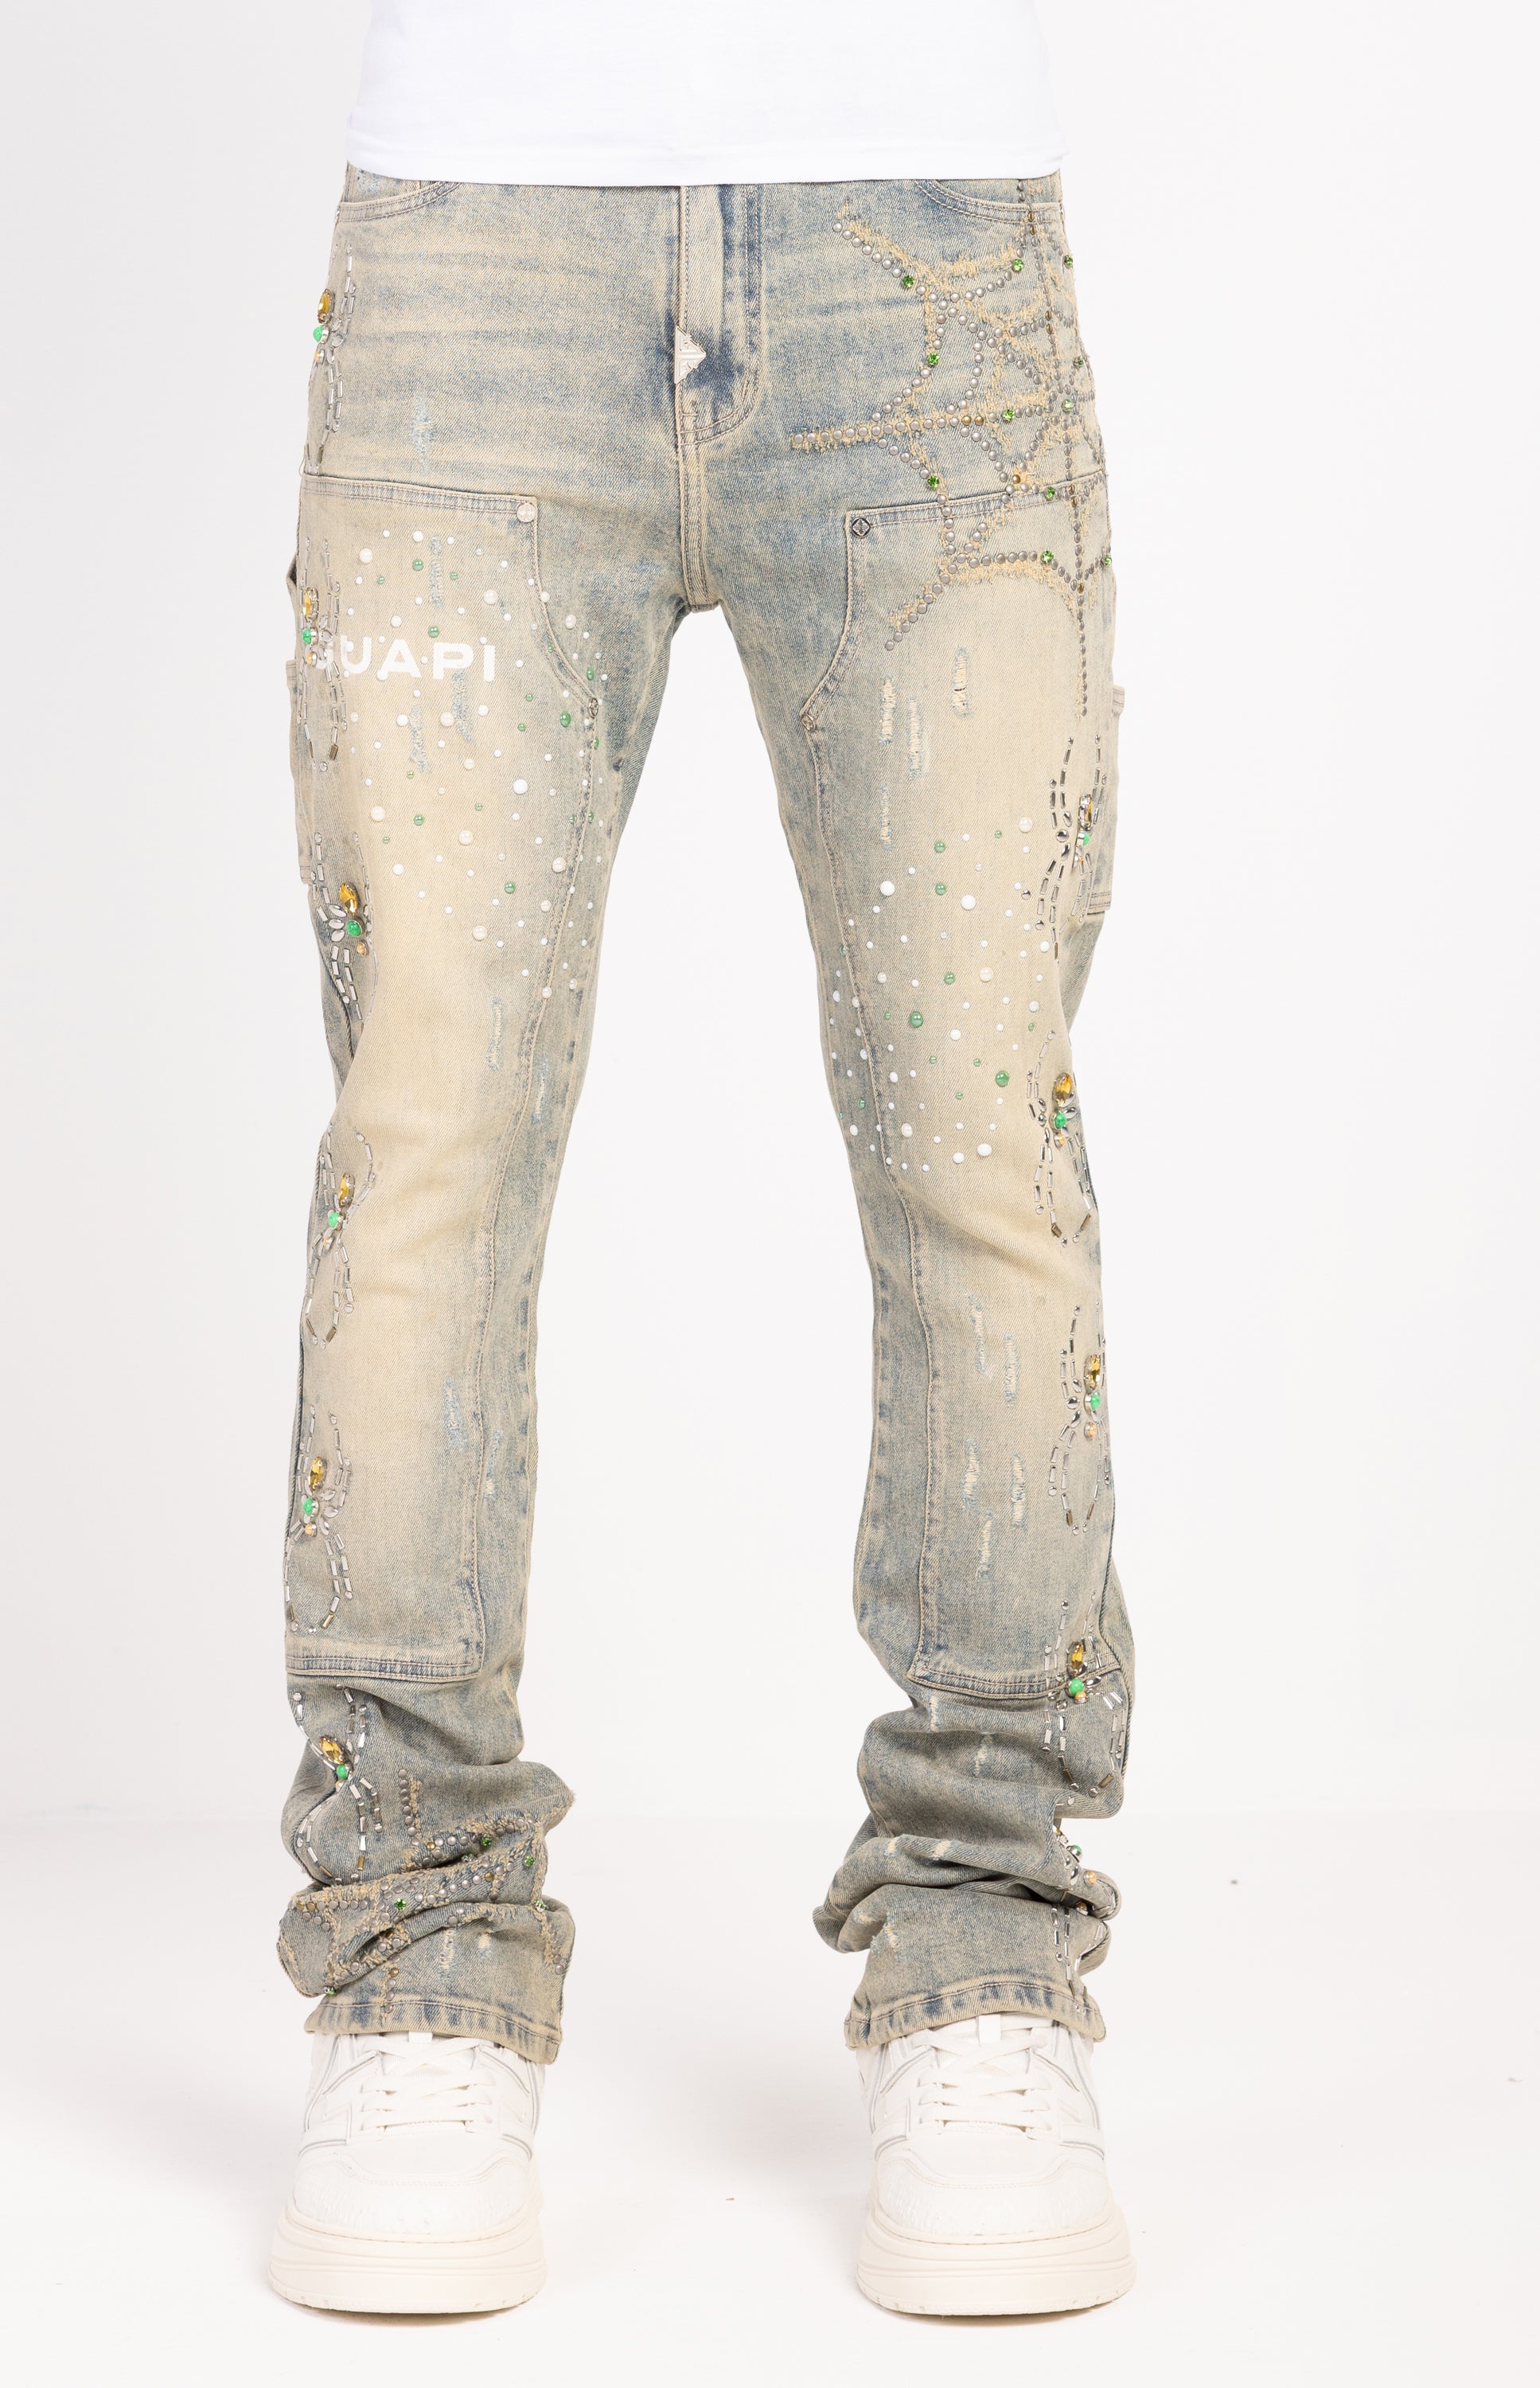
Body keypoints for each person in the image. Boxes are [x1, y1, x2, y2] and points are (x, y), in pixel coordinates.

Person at [267, 0, 1136, 2320]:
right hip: (476, 237)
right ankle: (414, 1967)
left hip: (923, 231)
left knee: (979, 1139)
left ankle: (985, 1956)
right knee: (429, 1145)